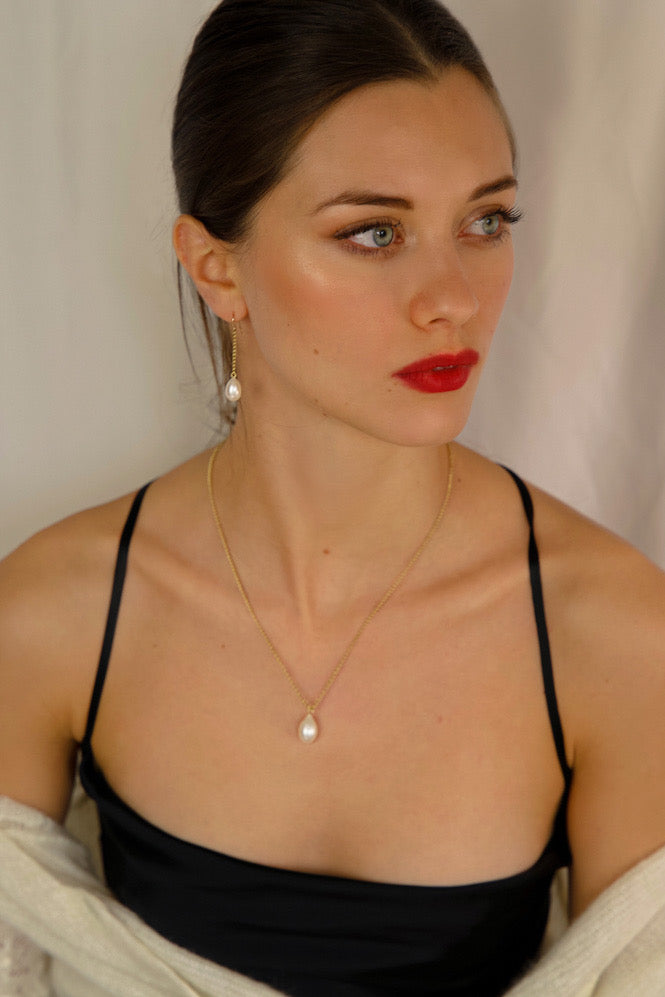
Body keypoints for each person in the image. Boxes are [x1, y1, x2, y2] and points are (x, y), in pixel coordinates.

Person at [1, 1, 665, 995]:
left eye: (484, 220)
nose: (452, 297)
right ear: (216, 267)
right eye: (371, 233)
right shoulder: (53, 613)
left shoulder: (611, 634)